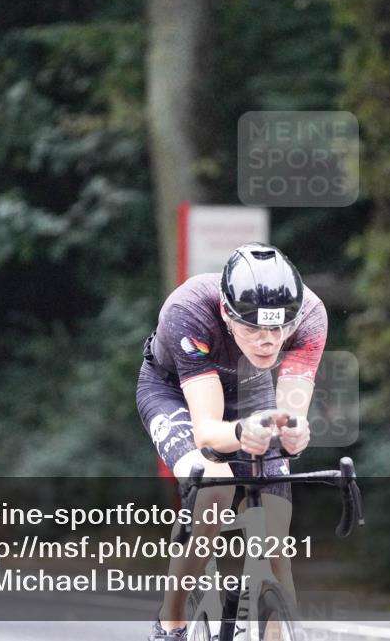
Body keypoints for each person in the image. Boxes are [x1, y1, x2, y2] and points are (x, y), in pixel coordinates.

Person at [138, 243, 328, 641]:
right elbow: (208, 431)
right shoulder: (189, 309)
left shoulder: (309, 316)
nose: (267, 341)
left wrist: (294, 433)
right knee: (215, 483)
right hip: (175, 393)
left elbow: (289, 417)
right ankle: (171, 618)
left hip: (249, 393)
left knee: (277, 545)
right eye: (253, 328)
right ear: (227, 313)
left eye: (278, 328)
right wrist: (242, 433)